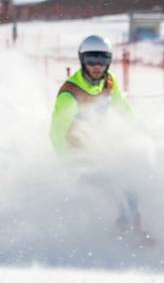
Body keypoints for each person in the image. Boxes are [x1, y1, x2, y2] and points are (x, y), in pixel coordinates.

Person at [49, 35, 143, 235]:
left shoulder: (108, 82)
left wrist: (140, 134)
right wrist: (69, 163)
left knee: (132, 179)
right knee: (114, 187)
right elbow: (57, 133)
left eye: (103, 60)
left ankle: (130, 231)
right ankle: (118, 234)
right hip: (78, 153)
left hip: (99, 146)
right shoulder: (70, 93)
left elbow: (123, 109)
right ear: (82, 60)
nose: (97, 66)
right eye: (91, 59)